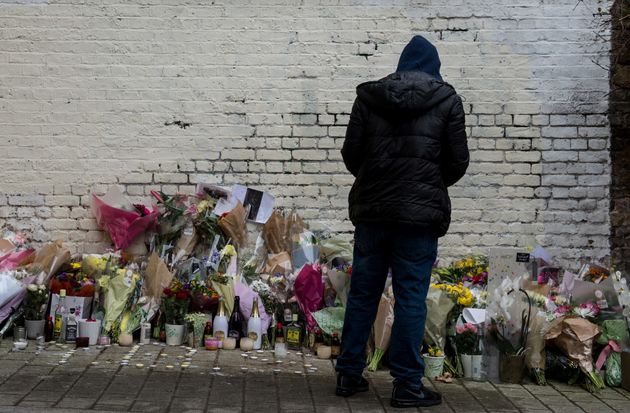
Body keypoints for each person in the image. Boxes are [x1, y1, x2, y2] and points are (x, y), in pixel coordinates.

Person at [335, 35, 469, 408]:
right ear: (434, 67)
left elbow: (351, 154)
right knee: (411, 299)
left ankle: (348, 373)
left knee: (363, 293)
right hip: (418, 219)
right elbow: (458, 162)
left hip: (373, 213)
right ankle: (407, 384)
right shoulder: (446, 100)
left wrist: (377, 178)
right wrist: (427, 182)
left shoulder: (369, 98)